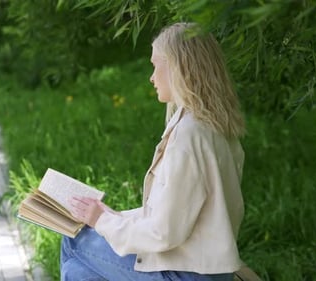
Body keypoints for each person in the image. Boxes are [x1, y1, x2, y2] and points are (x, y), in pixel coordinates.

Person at [61, 22, 246, 281]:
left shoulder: (188, 135)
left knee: (73, 240)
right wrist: (113, 217)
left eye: (155, 64)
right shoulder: (214, 123)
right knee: (75, 272)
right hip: (206, 268)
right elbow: (176, 211)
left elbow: (164, 232)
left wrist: (102, 222)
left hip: (188, 273)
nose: (151, 77)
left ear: (178, 68)